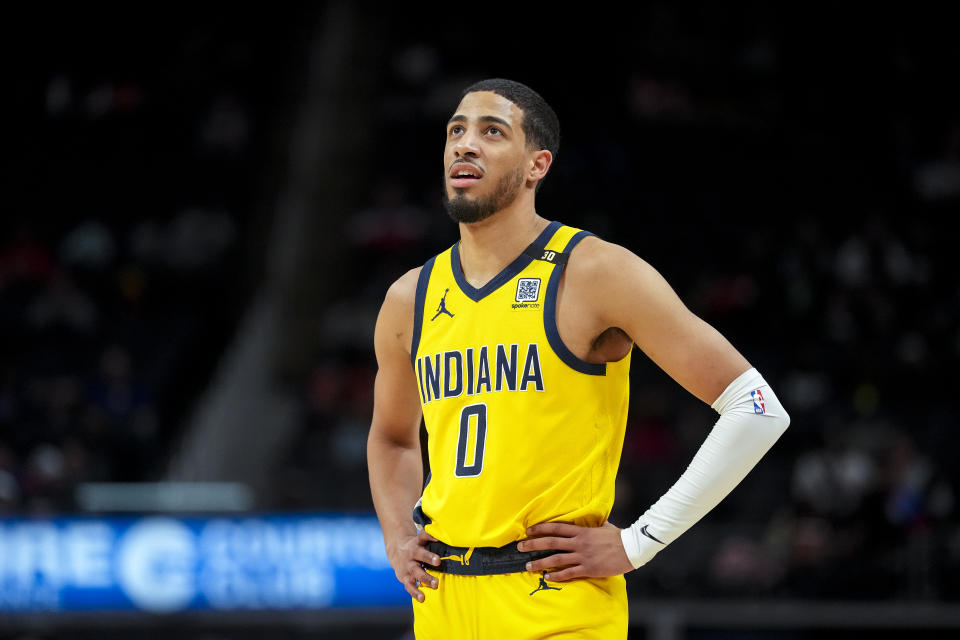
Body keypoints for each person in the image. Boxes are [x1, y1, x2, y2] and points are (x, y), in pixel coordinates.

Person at [367, 78, 790, 639]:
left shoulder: (595, 273)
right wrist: (398, 537)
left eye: (492, 132)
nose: (465, 145)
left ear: (537, 164)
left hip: (554, 599)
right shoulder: (408, 298)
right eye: (456, 131)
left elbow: (756, 407)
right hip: (443, 601)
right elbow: (392, 437)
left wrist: (640, 541)